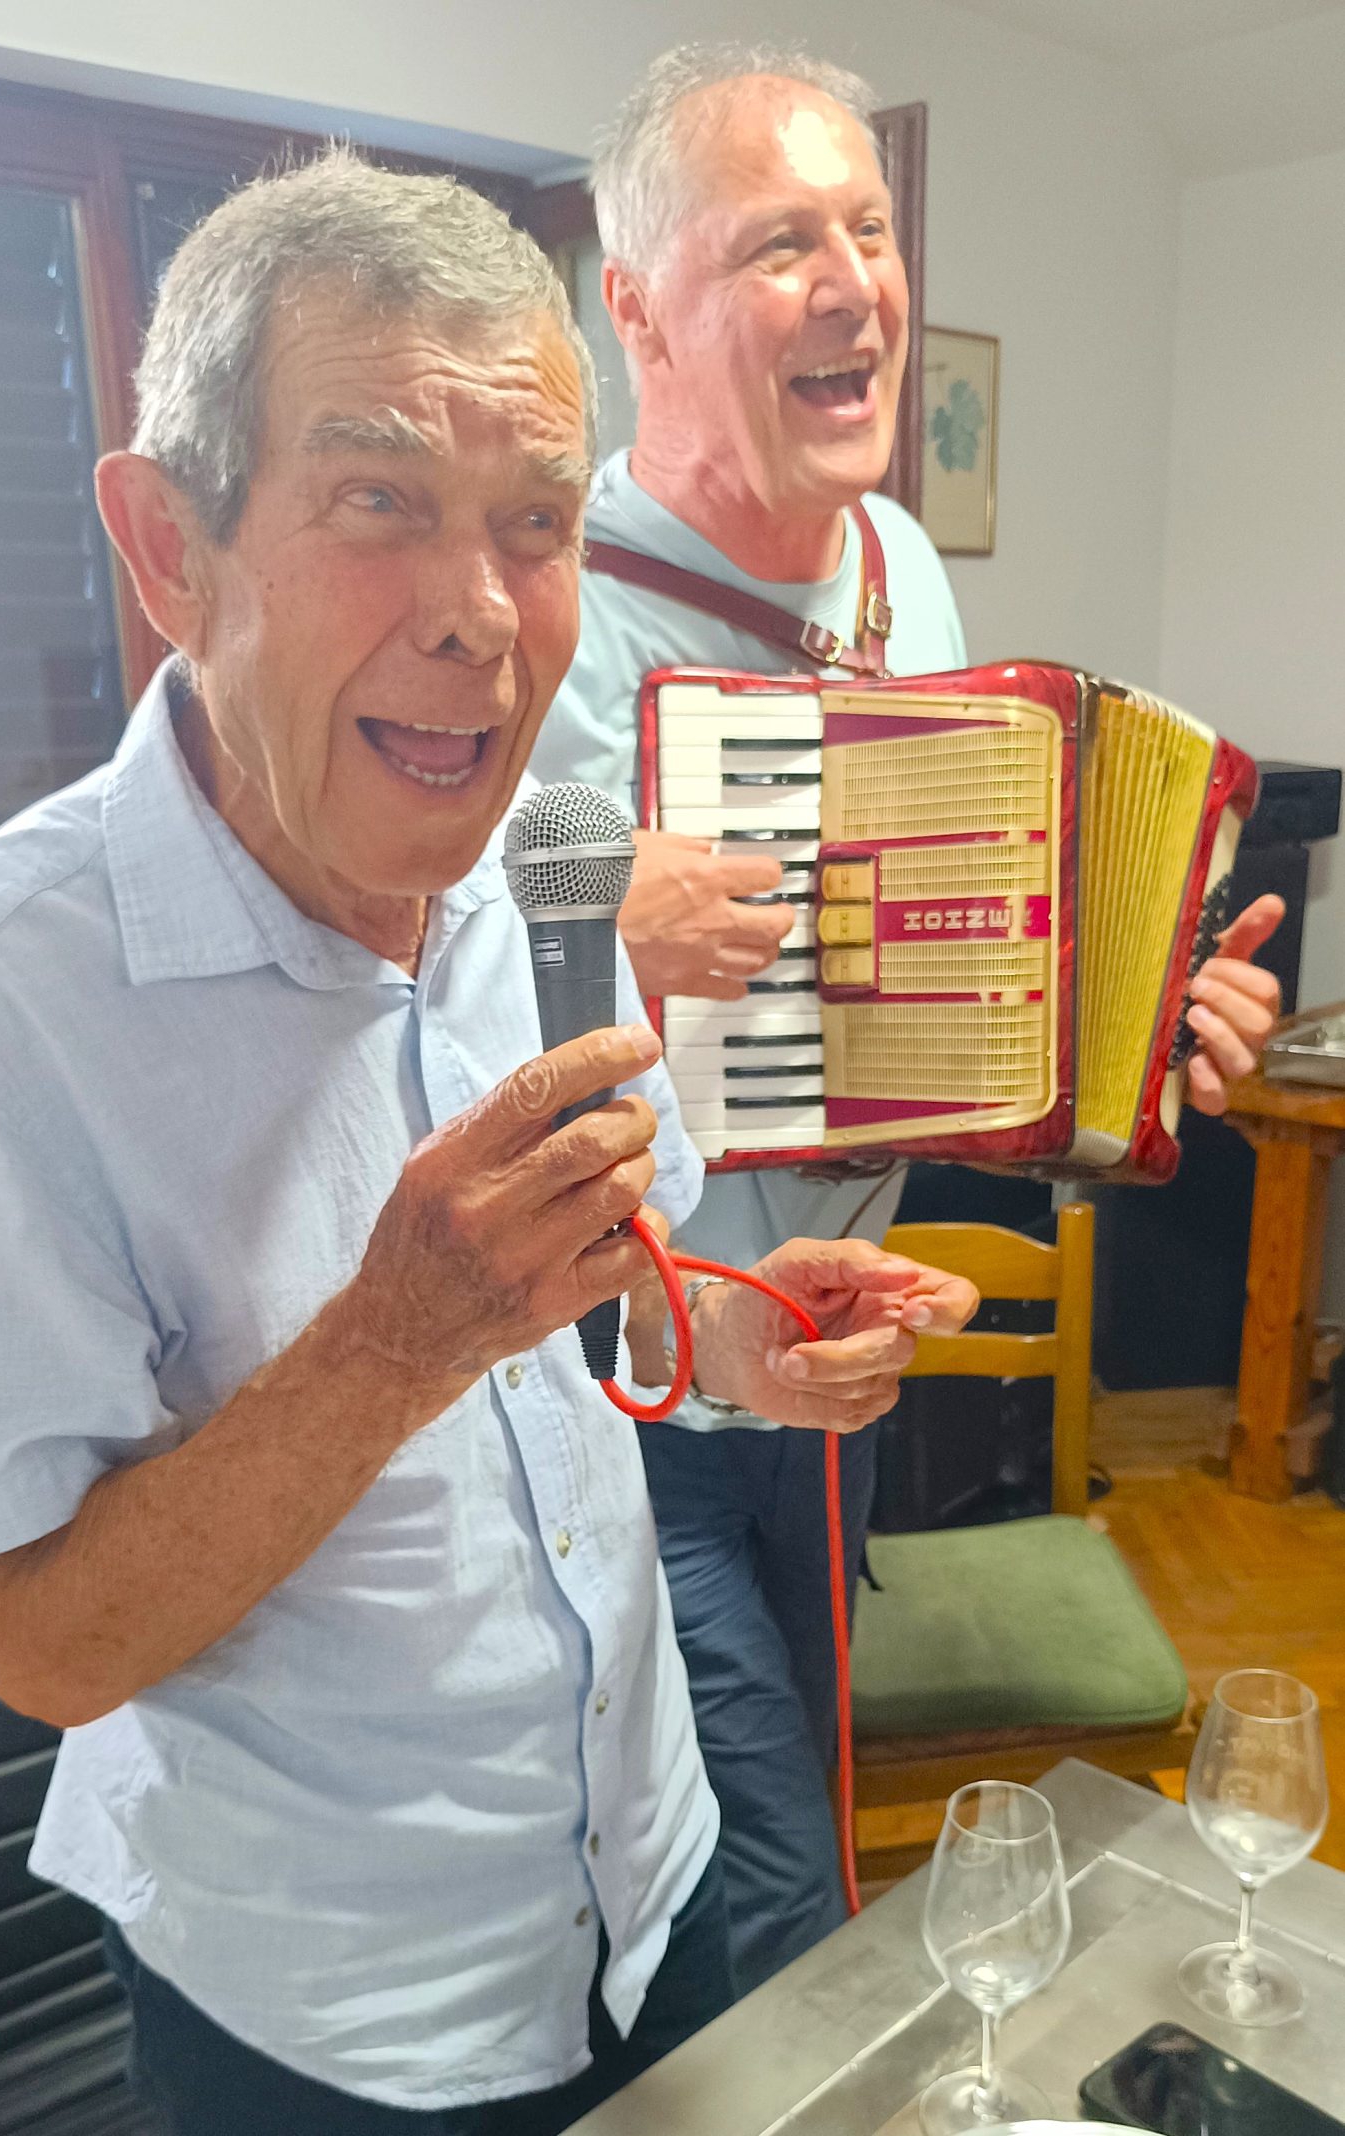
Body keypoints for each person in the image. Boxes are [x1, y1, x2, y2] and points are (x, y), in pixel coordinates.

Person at [0, 150, 982, 2135]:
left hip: (652, 1883)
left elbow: (612, 1305)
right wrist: (392, 1339)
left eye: (535, 523)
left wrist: (740, 1334)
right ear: (169, 548)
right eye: (377, 502)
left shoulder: (556, 853)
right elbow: (39, 1646)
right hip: (332, 2017)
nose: (478, 615)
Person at [532, 40, 1284, 1996]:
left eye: (867, 229)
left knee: (794, 1853)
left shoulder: (901, 575)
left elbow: (937, 996)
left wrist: (1142, 1032)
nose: (854, 281)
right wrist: (596, 912)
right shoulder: (547, 609)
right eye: (780, 241)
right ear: (639, 309)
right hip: (622, 1407)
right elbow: (419, 981)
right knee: (764, 1914)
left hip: (831, 1378)